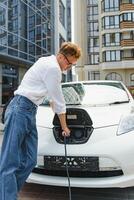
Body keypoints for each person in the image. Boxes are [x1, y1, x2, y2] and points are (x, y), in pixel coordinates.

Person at [0, 41, 81, 200]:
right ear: (61, 57)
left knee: (30, 160)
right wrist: (65, 127)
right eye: (70, 64)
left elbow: (51, 98)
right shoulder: (53, 68)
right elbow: (59, 101)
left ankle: (6, 192)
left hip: (29, 112)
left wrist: (54, 107)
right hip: (20, 109)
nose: (68, 68)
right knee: (10, 162)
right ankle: (8, 196)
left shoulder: (47, 62)